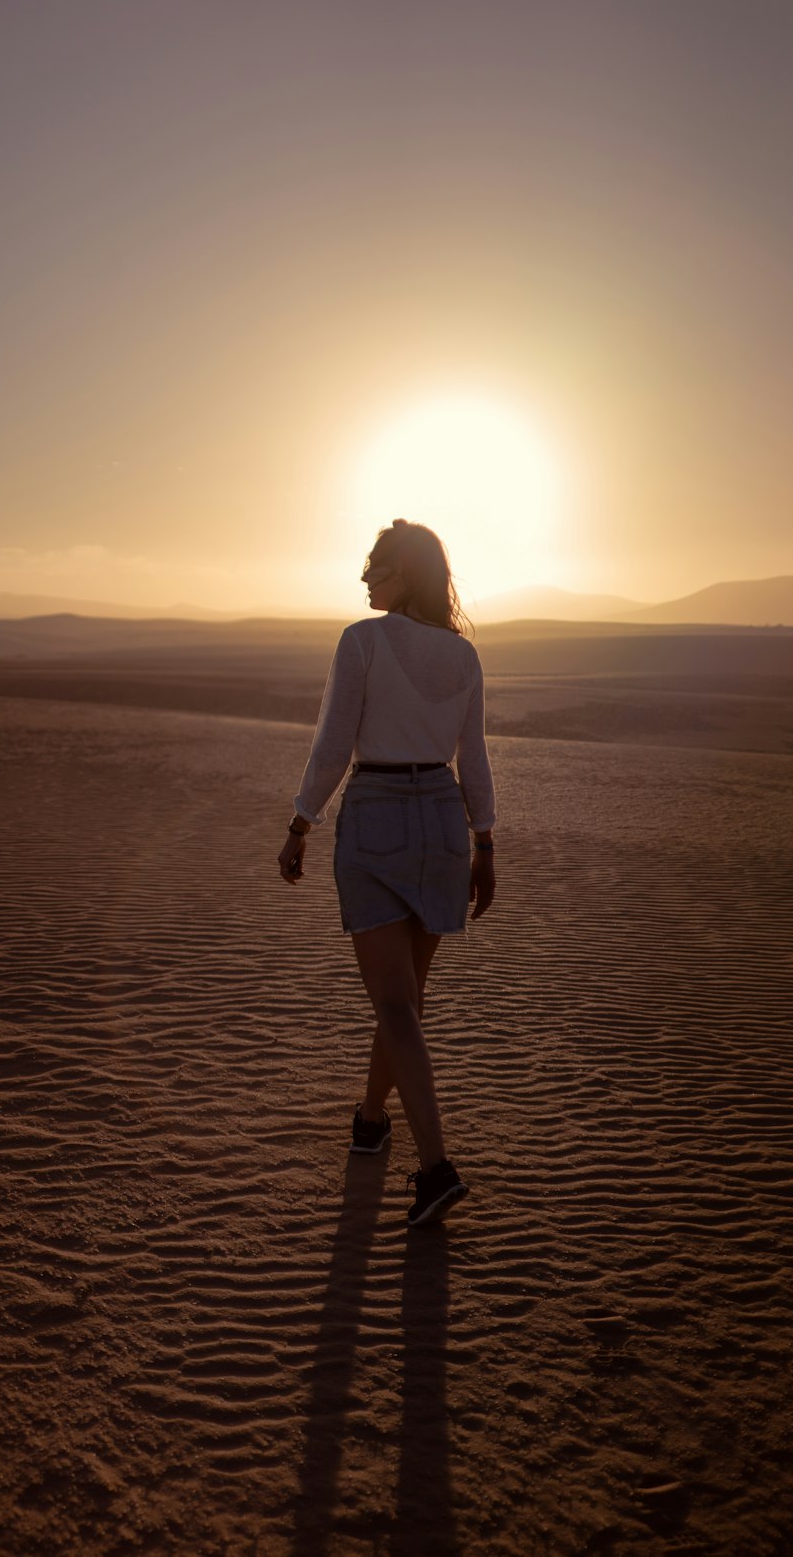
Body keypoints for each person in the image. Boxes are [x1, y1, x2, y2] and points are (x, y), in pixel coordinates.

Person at [277, 519, 496, 1226]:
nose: (364, 579)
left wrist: (300, 822)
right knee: (403, 998)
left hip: (375, 817)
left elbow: (334, 742)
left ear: (402, 568)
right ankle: (371, 1120)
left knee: (397, 1004)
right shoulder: (464, 658)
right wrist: (485, 843)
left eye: (374, 566)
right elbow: (476, 758)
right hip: (442, 822)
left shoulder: (362, 642)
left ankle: (435, 1168)